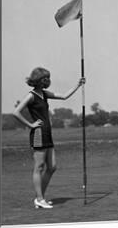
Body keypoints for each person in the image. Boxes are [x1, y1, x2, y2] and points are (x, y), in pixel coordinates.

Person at [13, 67, 85, 209]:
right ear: (37, 81)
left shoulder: (44, 94)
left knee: (52, 167)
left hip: (48, 133)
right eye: (44, 78)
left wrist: (78, 84)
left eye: (48, 77)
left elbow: (64, 96)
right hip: (38, 134)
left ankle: (40, 198)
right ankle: (40, 199)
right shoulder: (31, 95)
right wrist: (31, 125)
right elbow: (16, 112)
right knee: (39, 166)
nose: (47, 80)